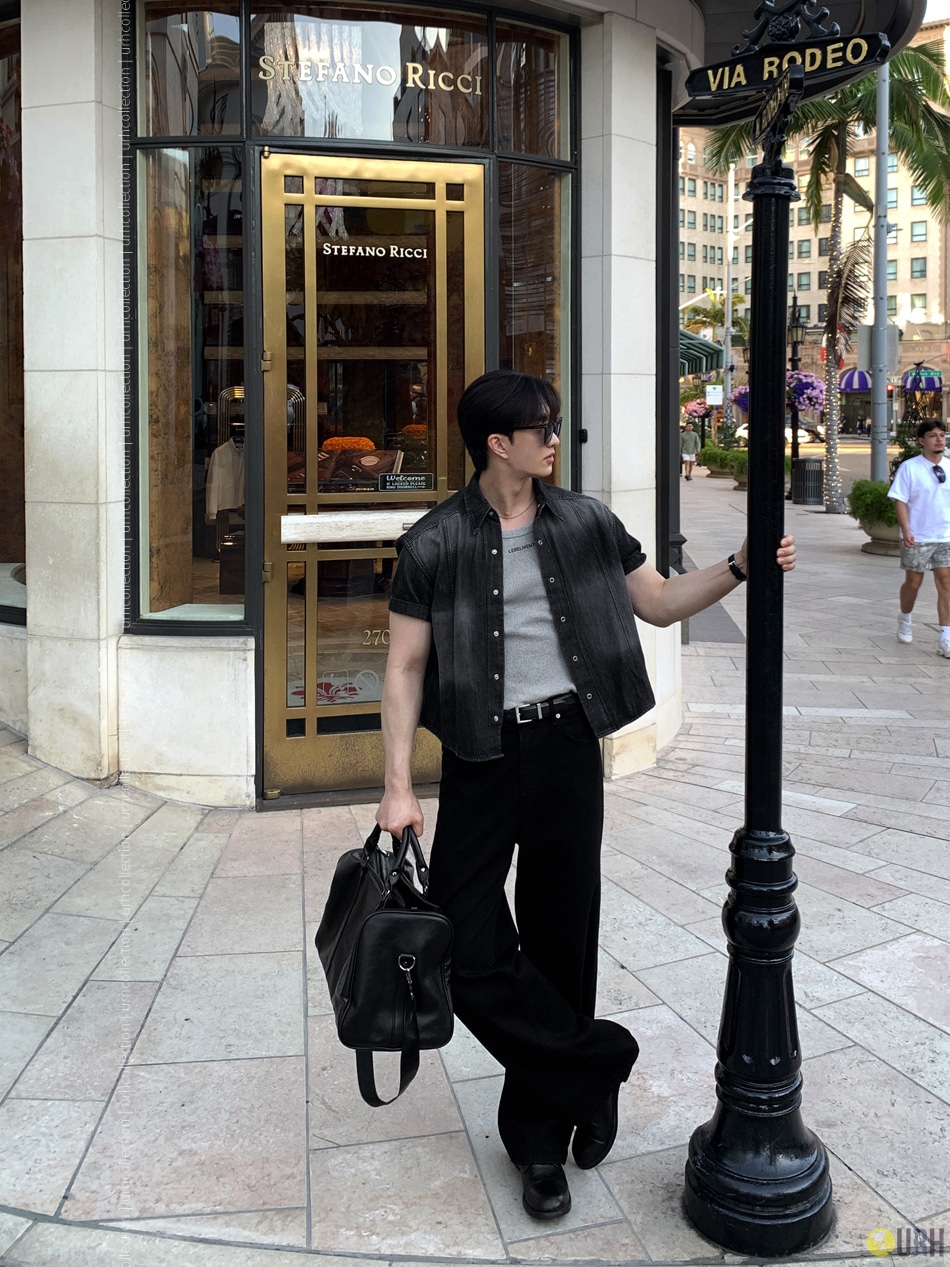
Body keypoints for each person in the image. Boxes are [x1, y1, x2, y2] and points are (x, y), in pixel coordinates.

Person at [375, 371, 796, 1221]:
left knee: (561, 937)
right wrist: (397, 787)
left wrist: (740, 566)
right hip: (482, 753)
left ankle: (539, 1142)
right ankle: (589, 1064)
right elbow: (404, 667)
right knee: (461, 937)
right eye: (542, 427)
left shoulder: (586, 521)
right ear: (499, 443)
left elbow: (660, 602)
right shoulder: (434, 541)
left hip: (567, 746)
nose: (555, 439)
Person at [888, 419, 950, 657]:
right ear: (921, 440)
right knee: (913, 583)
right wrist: (906, 530)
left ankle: (945, 638)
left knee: (946, 584)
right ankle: (905, 617)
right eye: (933, 435)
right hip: (918, 537)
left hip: (945, 536)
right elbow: (900, 500)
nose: (939, 439)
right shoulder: (910, 468)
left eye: (942, 435)